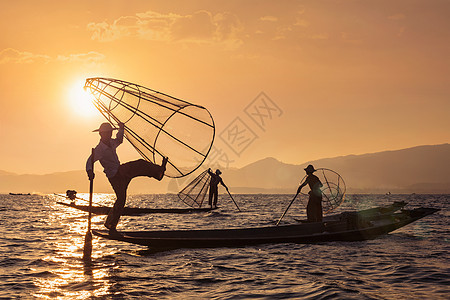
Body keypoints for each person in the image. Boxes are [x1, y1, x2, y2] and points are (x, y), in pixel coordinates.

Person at [86, 122, 168, 235]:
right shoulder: (99, 149)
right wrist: (90, 172)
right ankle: (110, 225)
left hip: (121, 171)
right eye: (107, 133)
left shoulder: (111, 142)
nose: (109, 135)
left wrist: (121, 128)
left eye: (110, 133)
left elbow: (119, 140)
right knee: (121, 199)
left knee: (140, 165)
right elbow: (89, 161)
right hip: (115, 176)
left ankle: (158, 172)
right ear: (101, 135)